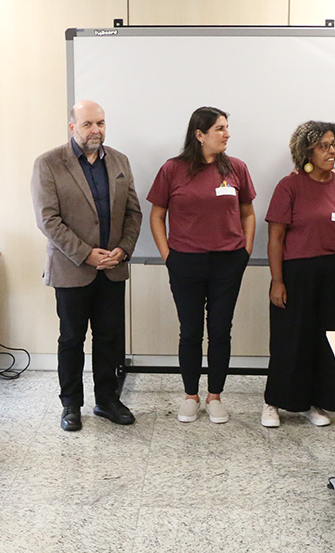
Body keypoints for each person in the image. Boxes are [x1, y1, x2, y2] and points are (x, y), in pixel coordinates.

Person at [31, 99, 142, 432]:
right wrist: (85, 253)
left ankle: (107, 400)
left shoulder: (119, 161)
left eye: (101, 123)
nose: (96, 130)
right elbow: (47, 219)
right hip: (72, 268)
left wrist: (122, 250)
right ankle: (70, 405)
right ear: (72, 127)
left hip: (112, 267)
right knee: (71, 339)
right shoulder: (48, 163)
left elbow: (133, 213)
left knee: (109, 338)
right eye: (88, 124)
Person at [148, 106, 257, 424]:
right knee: (190, 332)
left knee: (221, 331)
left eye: (227, 127)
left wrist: (245, 252)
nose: (227, 134)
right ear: (199, 135)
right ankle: (191, 396)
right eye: (220, 129)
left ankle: (215, 396)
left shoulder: (236, 168)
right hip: (185, 262)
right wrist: (169, 257)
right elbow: (157, 215)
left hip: (228, 262)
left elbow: (248, 212)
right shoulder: (172, 169)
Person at [262, 121, 335, 427]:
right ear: (306, 150)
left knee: (326, 340)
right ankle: (273, 403)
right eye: (323, 145)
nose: (331, 151)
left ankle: (316, 404)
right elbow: (275, 238)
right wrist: (277, 281)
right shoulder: (289, 186)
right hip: (297, 273)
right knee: (290, 339)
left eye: (334, 145)